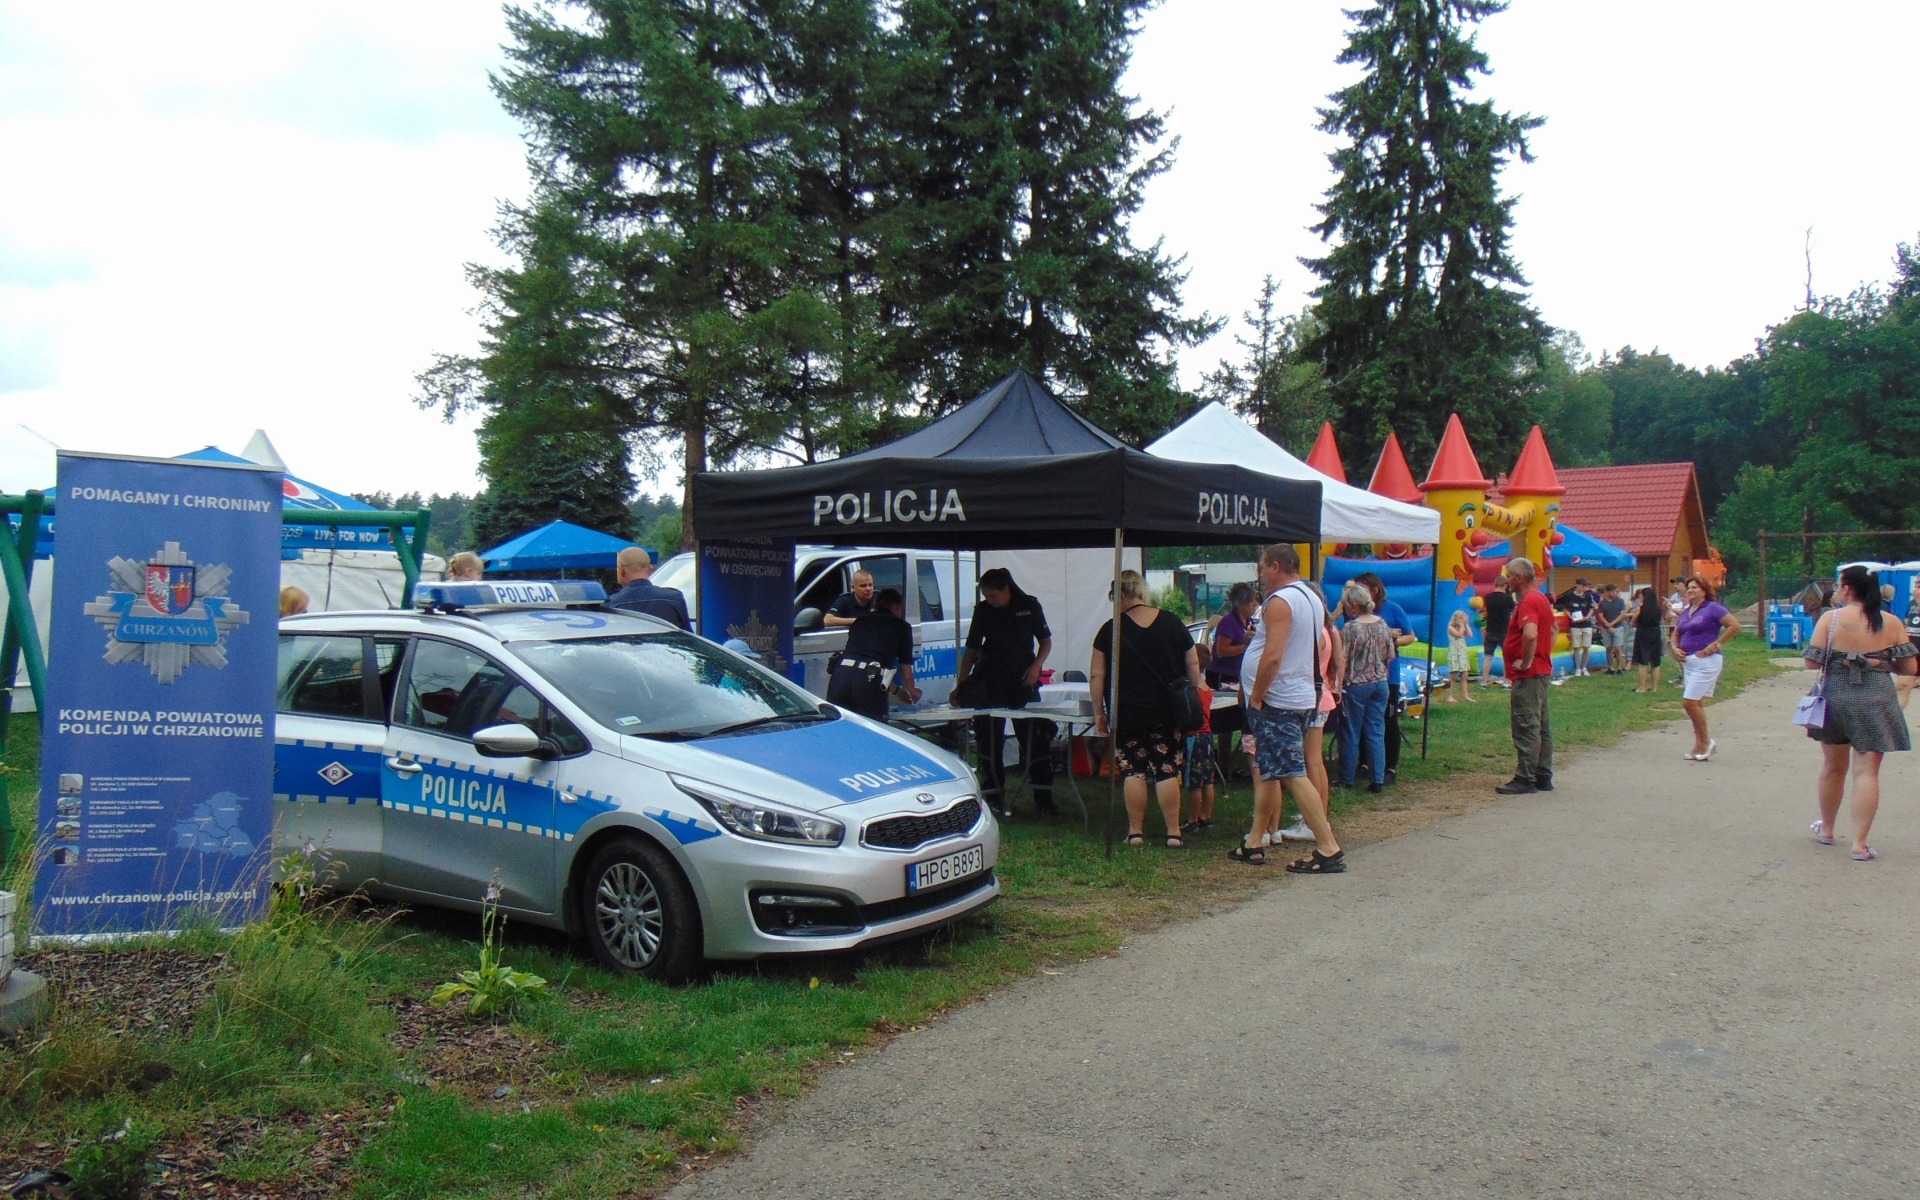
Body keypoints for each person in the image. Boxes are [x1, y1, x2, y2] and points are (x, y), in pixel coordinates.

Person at [1230, 545, 1343, 873]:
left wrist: (1257, 695)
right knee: (1268, 769)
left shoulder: (1279, 601)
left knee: (1293, 773)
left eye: (1262, 568)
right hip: (1299, 694)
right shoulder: (1309, 596)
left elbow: (1274, 654)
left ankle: (1327, 846)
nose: (1260, 575)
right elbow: (1319, 645)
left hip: (1277, 700)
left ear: (1276, 566)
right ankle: (1254, 841)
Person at [1805, 564, 1916, 861]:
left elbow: (1811, 663)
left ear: (1847, 589)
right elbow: (1910, 668)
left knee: (1832, 766)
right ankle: (1859, 844)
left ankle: (1827, 829)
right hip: (1876, 698)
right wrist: (1879, 663)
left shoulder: (1831, 619)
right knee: (1867, 772)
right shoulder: (1890, 622)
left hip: (1836, 696)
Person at [1089, 570, 1201, 848]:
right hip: (1166, 709)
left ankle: (1135, 832)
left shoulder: (1110, 629)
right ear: (1141, 591)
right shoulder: (1173, 623)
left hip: (1126, 711)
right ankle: (1173, 832)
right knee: (1166, 769)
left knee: (1133, 770)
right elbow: (1193, 663)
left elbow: (1097, 675)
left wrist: (1098, 712)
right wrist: (1194, 693)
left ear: (1120, 596)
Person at [956, 567, 1055, 818]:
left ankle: (1043, 797)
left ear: (1006, 589)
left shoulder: (1029, 605)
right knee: (989, 741)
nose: (990, 601)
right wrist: (962, 683)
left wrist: (1036, 668)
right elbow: (971, 649)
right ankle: (993, 797)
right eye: (986, 596)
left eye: (994, 596)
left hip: (1022, 679)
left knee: (1034, 739)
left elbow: (1045, 640)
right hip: (989, 680)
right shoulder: (983, 611)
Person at [1496, 558, 1555, 795]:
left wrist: (1527, 660)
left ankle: (1525, 777)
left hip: (1529, 673)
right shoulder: (1540, 598)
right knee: (1541, 725)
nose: (1507, 580)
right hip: (1541, 671)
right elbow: (1551, 630)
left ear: (1519, 578)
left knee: (1526, 724)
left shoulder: (1528, 601)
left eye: (1509, 576)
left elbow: (1530, 634)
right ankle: (1543, 774)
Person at [1352, 572, 1415, 784]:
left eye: (1362, 588)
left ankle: (1390, 767)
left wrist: (1391, 640)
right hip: (1361, 675)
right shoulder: (1354, 611)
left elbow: (1410, 636)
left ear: (1374, 589)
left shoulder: (1392, 608)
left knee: (1388, 720)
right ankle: (1365, 762)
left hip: (1387, 676)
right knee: (1361, 721)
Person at [825, 588, 921, 721]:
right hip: (868, 686)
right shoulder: (901, 627)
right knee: (875, 730)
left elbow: (869, 669)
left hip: (840, 678)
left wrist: (897, 692)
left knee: (840, 728)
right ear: (898, 607)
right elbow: (905, 672)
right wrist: (912, 692)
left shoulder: (860, 622)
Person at [1671, 575, 1740, 761]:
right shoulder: (1687, 611)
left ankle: (1707, 741)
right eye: (1689, 587)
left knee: (1689, 703)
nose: (1690, 590)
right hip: (1689, 662)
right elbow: (1677, 632)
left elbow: (1734, 626)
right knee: (1698, 703)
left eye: (1694, 587)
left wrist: (1716, 644)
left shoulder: (1712, 608)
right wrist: (1674, 647)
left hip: (1706, 662)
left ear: (1704, 590)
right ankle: (1699, 743)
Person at [1338, 583, 1393, 794]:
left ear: (1352, 605)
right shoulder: (1382, 624)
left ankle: (1347, 778)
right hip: (1380, 682)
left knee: (1351, 731)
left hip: (1357, 683)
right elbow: (1391, 655)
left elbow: (1343, 658)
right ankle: (1377, 779)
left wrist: (1338, 683)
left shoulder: (1351, 628)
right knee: (1375, 730)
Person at [1205, 583, 1258, 775]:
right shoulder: (1228, 622)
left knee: (1237, 717)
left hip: (1238, 676)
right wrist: (1246, 646)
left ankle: (1232, 763)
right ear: (1241, 604)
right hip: (1222, 676)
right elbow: (1221, 650)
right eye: (1251, 602)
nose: (1254, 605)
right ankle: (1224, 763)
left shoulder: (1248, 621)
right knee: (1224, 723)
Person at [605, 546, 692, 630]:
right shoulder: (674, 598)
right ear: (650, 569)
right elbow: (689, 638)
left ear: (621, 570)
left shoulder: (611, 605)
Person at [1181, 682, 1217, 835]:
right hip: (1207, 736)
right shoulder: (1206, 688)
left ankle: (1192, 819)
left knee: (1195, 782)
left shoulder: (1190, 690)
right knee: (1207, 779)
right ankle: (1206, 815)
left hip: (1193, 738)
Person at [1630, 585, 1665, 693]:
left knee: (1643, 661)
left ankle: (1642, 687)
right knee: (1655, 662)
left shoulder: (1641, 609)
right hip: (1655, 632)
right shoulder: (1658, 609)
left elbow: (1633, 622)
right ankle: (1654, 687)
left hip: (1643, 633)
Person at [1480, 583, 1514, 689]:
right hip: (1504, 631)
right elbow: (1512, 609)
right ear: (1504, 586)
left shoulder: (1488, 597)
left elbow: (1486, 613)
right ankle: (1507, 681)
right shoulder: (1508, 598)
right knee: (1507, 658)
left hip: (1491, 630)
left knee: (1488, 657)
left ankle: (1484, 682)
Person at [1561, 579, 1596, 676]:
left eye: (1586, 586)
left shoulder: (1588, 596)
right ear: (1577, 585)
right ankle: (1577, 668)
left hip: (1586, 624)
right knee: (1576, 646)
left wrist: (1588, 617)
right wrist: (1572, 618)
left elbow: (1592, 608)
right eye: (1583, 586)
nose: (1585, 588)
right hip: (1575, 625)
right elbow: (1566, 609)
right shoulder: (1570, 596)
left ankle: (1584, 667)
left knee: (1586, 646)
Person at [1595, 583, 1629, 675]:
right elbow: (1600, 615)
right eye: (1612, 592)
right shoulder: (1602, 603)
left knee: (1618, 648)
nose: (1614, 594)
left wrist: (1612, 624)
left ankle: (1619, 668)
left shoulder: (1620, 601)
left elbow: (1622, 614)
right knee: (1608, 648)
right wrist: (1607, 625)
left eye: (1615, 592)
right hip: (1606, 628)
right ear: (1607, 592)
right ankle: (1610, 667)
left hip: (1618, 627)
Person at [1443, 607, 1475, 702]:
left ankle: (1466, 695)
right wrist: (1461, 625)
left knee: (1465, 674)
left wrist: (1466, 625)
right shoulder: (1450, 627)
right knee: (1453, 674)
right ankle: (1450, 695)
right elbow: (1459, 635)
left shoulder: (1462, 627)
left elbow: (1470, 634)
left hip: (1462, 652)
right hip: (1454, 651)